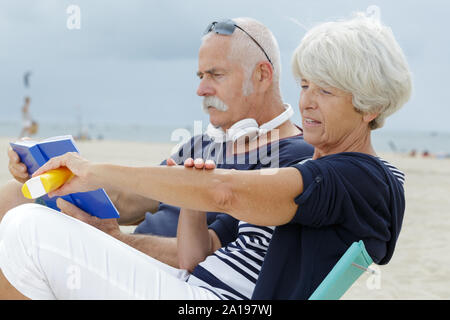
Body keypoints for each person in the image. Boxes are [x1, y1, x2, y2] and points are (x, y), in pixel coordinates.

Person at [0, 13, 412, 300]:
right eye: (305, 86)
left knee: (27, 229)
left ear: (369, 105)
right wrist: (192, 202)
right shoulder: (322, 169)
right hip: (198, 287)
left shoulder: (360, 177)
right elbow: (199, 252)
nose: (306, 103)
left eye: (325, 91)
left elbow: (225, 192)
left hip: (208, 296)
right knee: (24, 214)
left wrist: (95, 173)